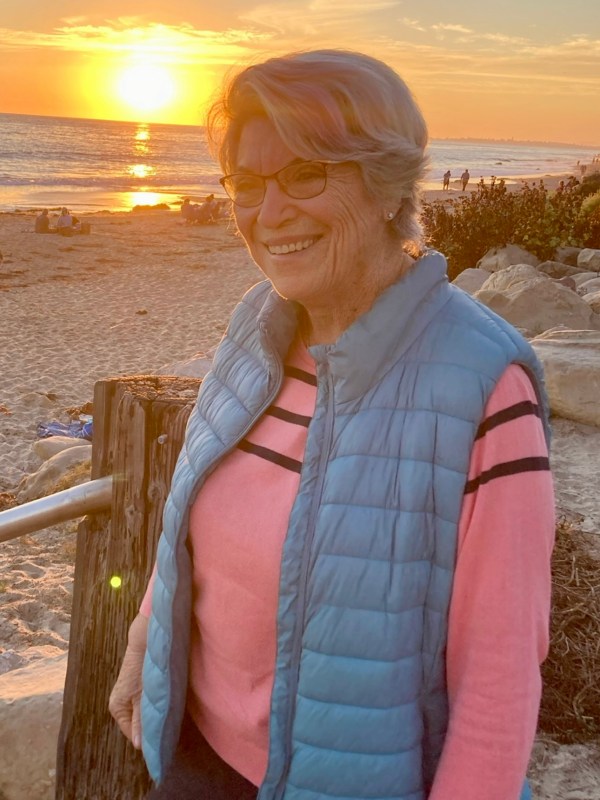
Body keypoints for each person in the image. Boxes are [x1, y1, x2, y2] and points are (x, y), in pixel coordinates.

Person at [109, 49, 554, 800]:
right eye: (247, 184)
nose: (269, 212)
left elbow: (499, 679)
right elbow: (191, 519)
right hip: (197, 758)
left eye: (306, 174)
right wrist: (144, 640)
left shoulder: (484, 388)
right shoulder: (255, 329)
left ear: (389, 184)